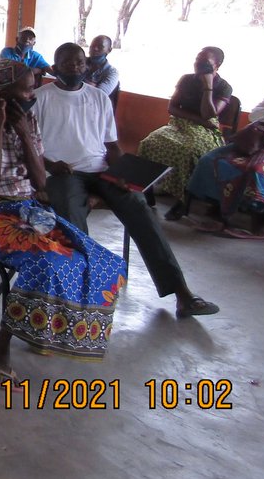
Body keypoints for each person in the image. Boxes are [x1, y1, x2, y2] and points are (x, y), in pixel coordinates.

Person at [0, 60, 126, 381]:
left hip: (29, 211)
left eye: (33, 88)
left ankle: (47, 329)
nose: (32, 95)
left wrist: (21, 132)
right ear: (1, 96)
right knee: (46, 262)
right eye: (26, 90)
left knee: (94, 257)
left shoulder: (28, 120)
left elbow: (40, 181)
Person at [35, 43, 219, 319]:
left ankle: (182, 294)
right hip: (61, 174)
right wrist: (50, 165)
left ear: (87, 66)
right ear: (55, 66)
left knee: (139, 207)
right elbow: (30, 147)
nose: (75, 67)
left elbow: (111, 147)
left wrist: (124, 174)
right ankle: (80, 293)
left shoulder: (98, 98)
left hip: (100, 171)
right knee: (72, 219)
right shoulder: (40, 98)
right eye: (67, 62)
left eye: (80, 63)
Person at [180, 46, 264, 236]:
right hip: (263, 138)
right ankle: (219, 213)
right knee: (212, 159)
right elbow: (255, 114)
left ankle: (260, 223)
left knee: (259, 168)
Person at [138, 46, 232, 203]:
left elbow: (209, 114)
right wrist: (199, 120)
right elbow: (172, 108)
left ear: (217, 65)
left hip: (207, 130)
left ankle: (183, 198)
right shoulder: (187, 79)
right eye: (197, 60)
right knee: (148, 143)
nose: (198, 64)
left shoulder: (223, 87)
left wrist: (208, 86)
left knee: (188, 152)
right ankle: (149, 190)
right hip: (181, 123)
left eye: (205, 62)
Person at [83, 34, 120, 102]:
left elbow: (99, 96)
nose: (95, 49)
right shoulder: (79, 63)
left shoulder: (112, 72)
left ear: (109, 50)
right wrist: (92, 85)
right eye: (92, 46)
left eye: (100, 47)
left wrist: (79, 82)